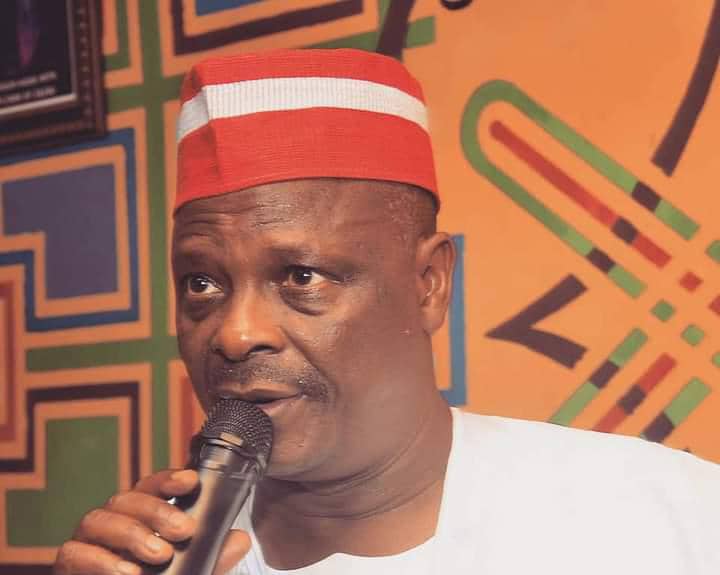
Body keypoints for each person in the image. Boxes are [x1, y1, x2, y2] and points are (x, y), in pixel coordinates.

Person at [53, 48, 720, 575]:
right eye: (201, 283)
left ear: (429, 283)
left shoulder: (664, 517)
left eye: (301, 276)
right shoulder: (161, 557)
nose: (236, 332)